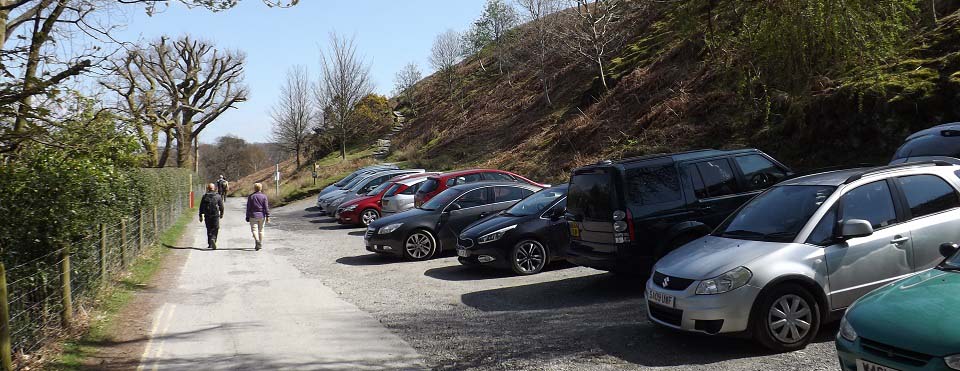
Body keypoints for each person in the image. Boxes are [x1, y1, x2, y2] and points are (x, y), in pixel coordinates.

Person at [199, 183, 225, 250]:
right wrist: (221, 213)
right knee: (216, 228)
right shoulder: (218, 196)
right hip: (215, 215)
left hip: (207, 215)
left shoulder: (205, 196)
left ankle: (210, 244)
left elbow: (201, 207)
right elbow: (221, 206)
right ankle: (213, 238)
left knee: (209, 229)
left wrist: (200, 216)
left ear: (208, 189)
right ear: (214, 188)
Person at [246, 182, 270, 251]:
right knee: (261, 230)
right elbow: (266, 207)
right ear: (261, 188)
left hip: (253, 215)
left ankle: (257, 241)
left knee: (254, 230)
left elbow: (248, 207)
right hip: (262, 215)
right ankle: (260, 243)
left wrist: (247, 216)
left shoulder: (251, 196)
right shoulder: (264, 196)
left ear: (254, 188)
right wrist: (268, 215)